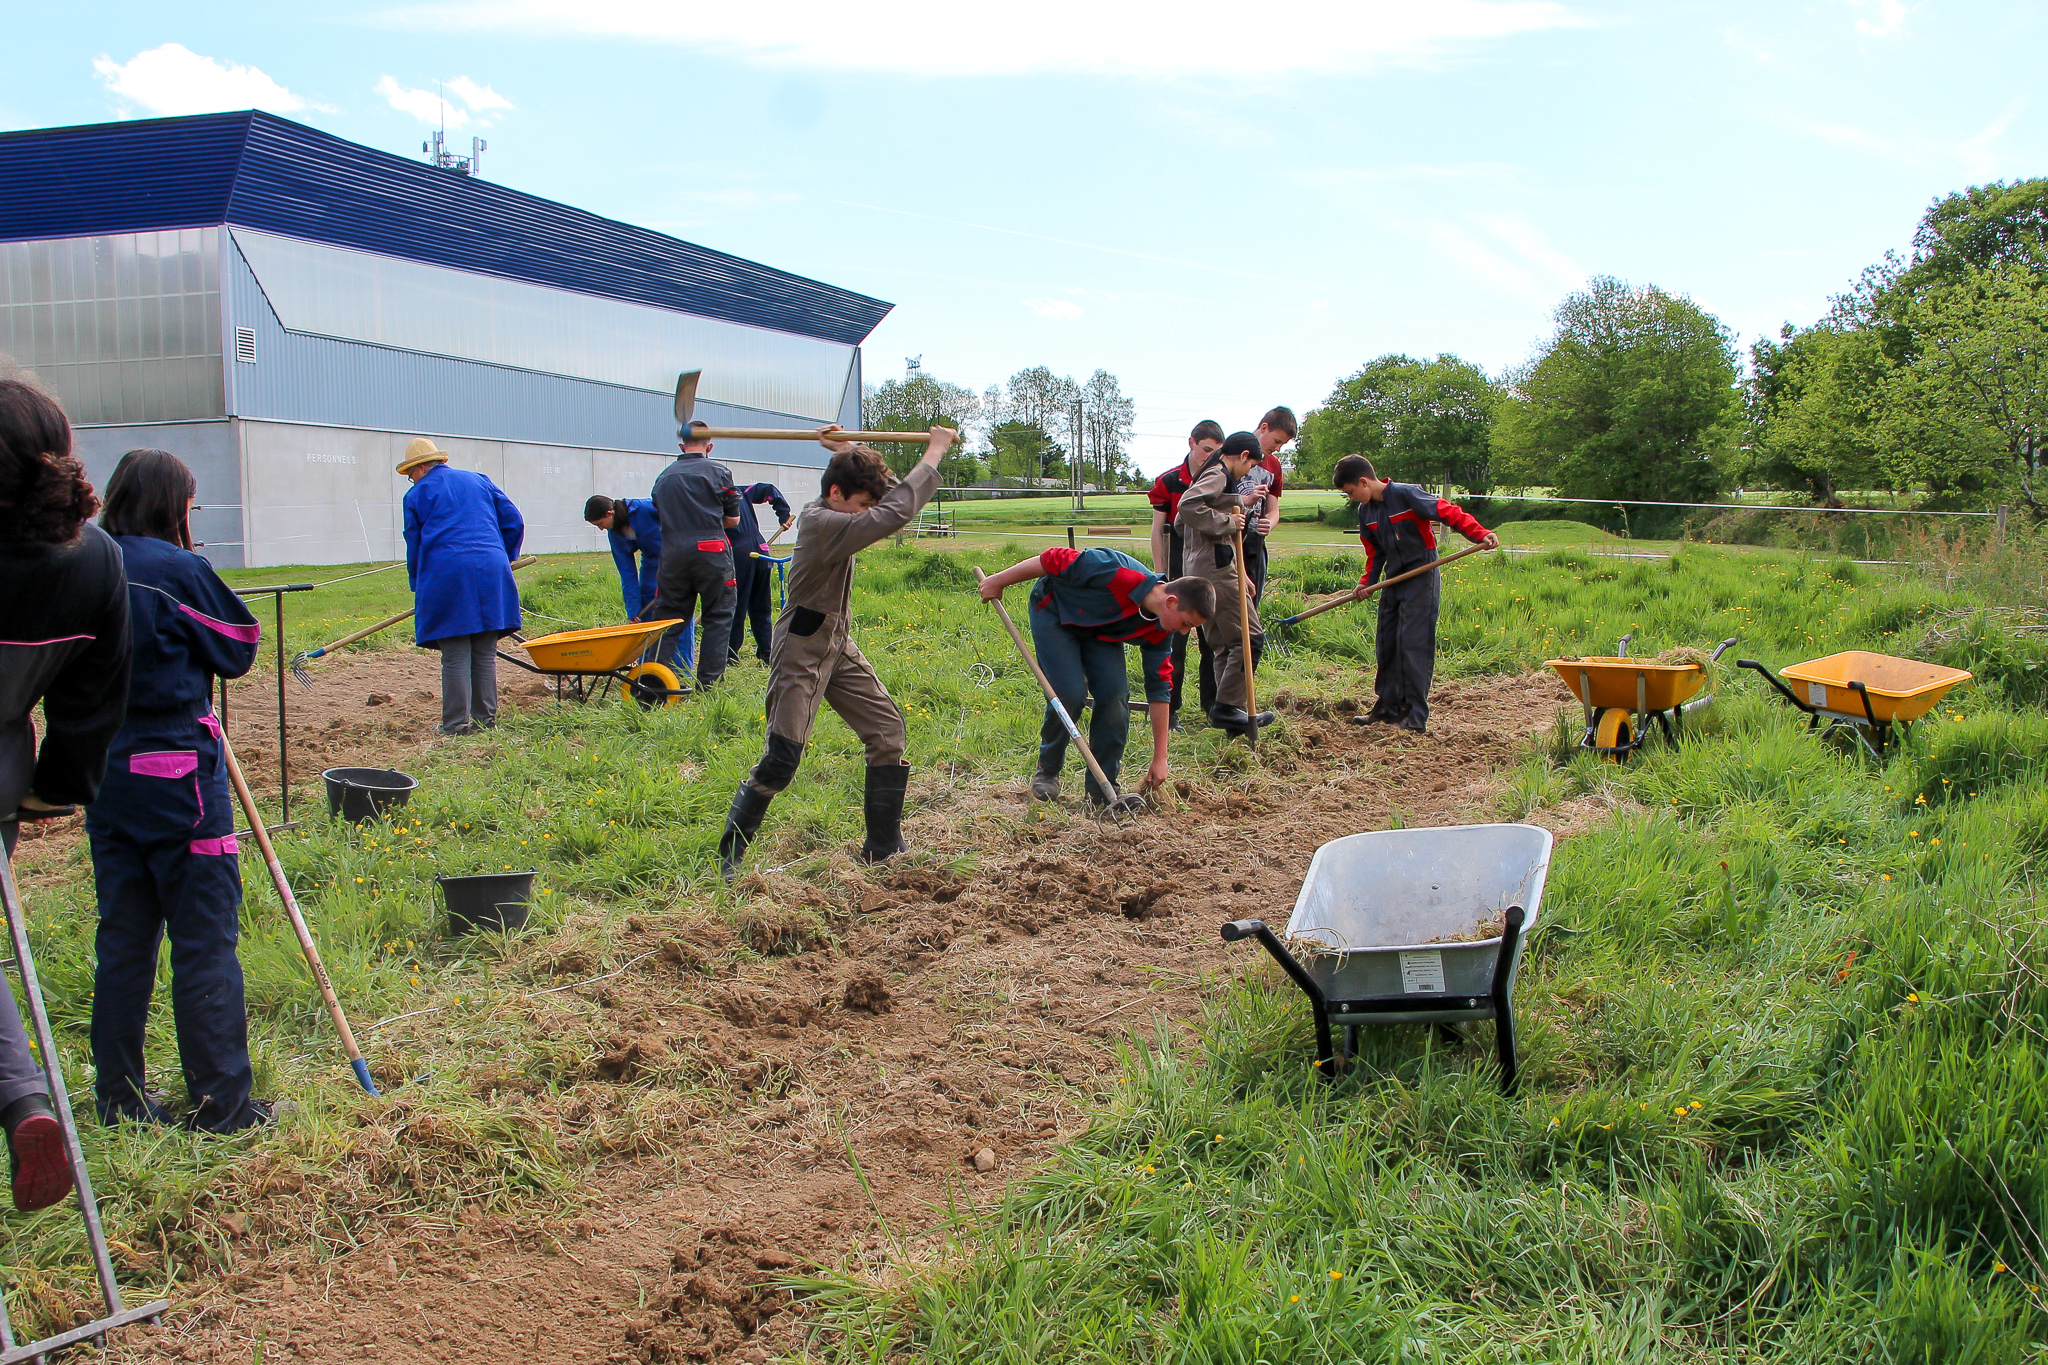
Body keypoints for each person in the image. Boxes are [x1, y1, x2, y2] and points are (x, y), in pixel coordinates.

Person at [89, 449, 268, 1132]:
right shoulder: (176, 570)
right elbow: (239, 644)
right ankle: (222, 1104)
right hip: (176, 773)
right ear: (176, 505)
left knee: (124, 938)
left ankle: (119, 1101)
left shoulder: (86, 562)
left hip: (101, 768)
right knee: (203, 938)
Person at [716, 424, 958, 880]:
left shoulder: (837, 504)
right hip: (800, 649)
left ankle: (882, 846)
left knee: (887, 733)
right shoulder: (823, 522)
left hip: (835, 643)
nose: (867, 512)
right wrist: (934, 451)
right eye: (861, 504)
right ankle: (730, 857)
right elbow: (893, 512)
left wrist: (852, 451)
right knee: (782, 758)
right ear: (835, 492)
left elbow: (886, 498)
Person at [0, 380, 130, 1206]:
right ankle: (22, 1103)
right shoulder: (95, 559)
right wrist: (55, 790)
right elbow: (93, 700)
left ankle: (22, 1100)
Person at [977, 547, 1213, 807]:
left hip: (1100, 632)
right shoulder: (1116, 571)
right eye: (1186, 624)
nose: (1183, 632)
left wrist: (1160, 758)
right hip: (1055, 612)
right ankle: (1048, 770)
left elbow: (1159, 689)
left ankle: (1103, 788)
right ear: (1171, 602)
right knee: (1069, 694)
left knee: (1115, 697)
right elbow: (1051, 559)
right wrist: (998, 581)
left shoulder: (1160, 628)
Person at [1333, 454, 1498, 733]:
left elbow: (1448, 512)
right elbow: (1375, 552)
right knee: (1387, 642)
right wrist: (1366, 583)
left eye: (1351, 492)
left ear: (1364, 481)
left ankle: (1415, 714)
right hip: (1393, 579)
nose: (1352, 498)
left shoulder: (1407, 495)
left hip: (1422, 574)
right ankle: (1387, 706)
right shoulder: (1366, 512)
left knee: (1413, 643)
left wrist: (1479, 533)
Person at [399, 439, 524, 736]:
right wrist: (503, 556)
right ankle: (485, 722)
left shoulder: (417, 494)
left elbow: (414, 543)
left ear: (420, 467)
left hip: (447, 573)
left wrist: (419, 583)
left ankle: (455, 726)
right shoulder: (479, 481)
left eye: (410, 473)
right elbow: (514, 520)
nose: (411, 479)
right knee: (484, 651)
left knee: (455, 652)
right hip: (491, 570)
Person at [1175, 431, 1274, 738]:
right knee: (1249, 638)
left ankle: (1230, 713)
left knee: (1223, 644)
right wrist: (1228, 523)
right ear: (1243, 456)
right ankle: (1228, 707)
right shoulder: (1218, 473)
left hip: (1202, 564)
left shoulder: (1209, 474)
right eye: (1250, 466)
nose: (1248, 473)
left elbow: (1182, 523)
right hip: (1216, 566)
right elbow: (1187, 507)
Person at [651, 422, 740, 690]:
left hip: (672, 555)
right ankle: (708, 685)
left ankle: (653, 683)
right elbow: (733, 519)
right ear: (709, 446)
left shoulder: (663, 478)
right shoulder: (719, 472)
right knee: (718, 616)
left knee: (667, 621)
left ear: (681, 447)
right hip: (711, 553)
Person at [1146, 420, 1223, 728]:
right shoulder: (1169, 481)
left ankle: (1212, 707)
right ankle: (1171, 708)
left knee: (1210, 639)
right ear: (1191, 443)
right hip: (1177, 558)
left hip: (1205, 558)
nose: (1209, 457)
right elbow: (1158, 530)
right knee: (1174, 642)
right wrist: (1160, 572)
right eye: (1206, 450)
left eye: (1216, 452)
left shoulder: (1218, 481)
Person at [584, 494, 692, 673]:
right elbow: (627, 574)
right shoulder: (615, 535)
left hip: (675, 562)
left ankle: (681, 674)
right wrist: (633, 611)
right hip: (651, 568)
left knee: (677, 617)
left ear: (610, 513)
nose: (601, 529)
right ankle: (647, 671)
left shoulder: (645, 508)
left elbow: (679, 519)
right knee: (646, 620)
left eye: (600, 524)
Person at [727, 478, 793, 667]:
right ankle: (767, 652)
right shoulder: (741, 491)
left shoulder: (712, 497)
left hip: (740, 552)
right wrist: (783, 514)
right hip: (761, 548)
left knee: (735, 605)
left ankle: (730, 655)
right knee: (760, 605)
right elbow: (770, 490)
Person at [1242, 406, 1297, 599]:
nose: (1278, 448)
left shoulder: (1274, 465)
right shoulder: (1234, 451)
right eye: (1277, 441)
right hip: (1229, 539)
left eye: (1283, 444)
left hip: (1256, 543)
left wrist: (1270, 523)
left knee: (1253, 600)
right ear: (1264, 428)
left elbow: (1274, 510)